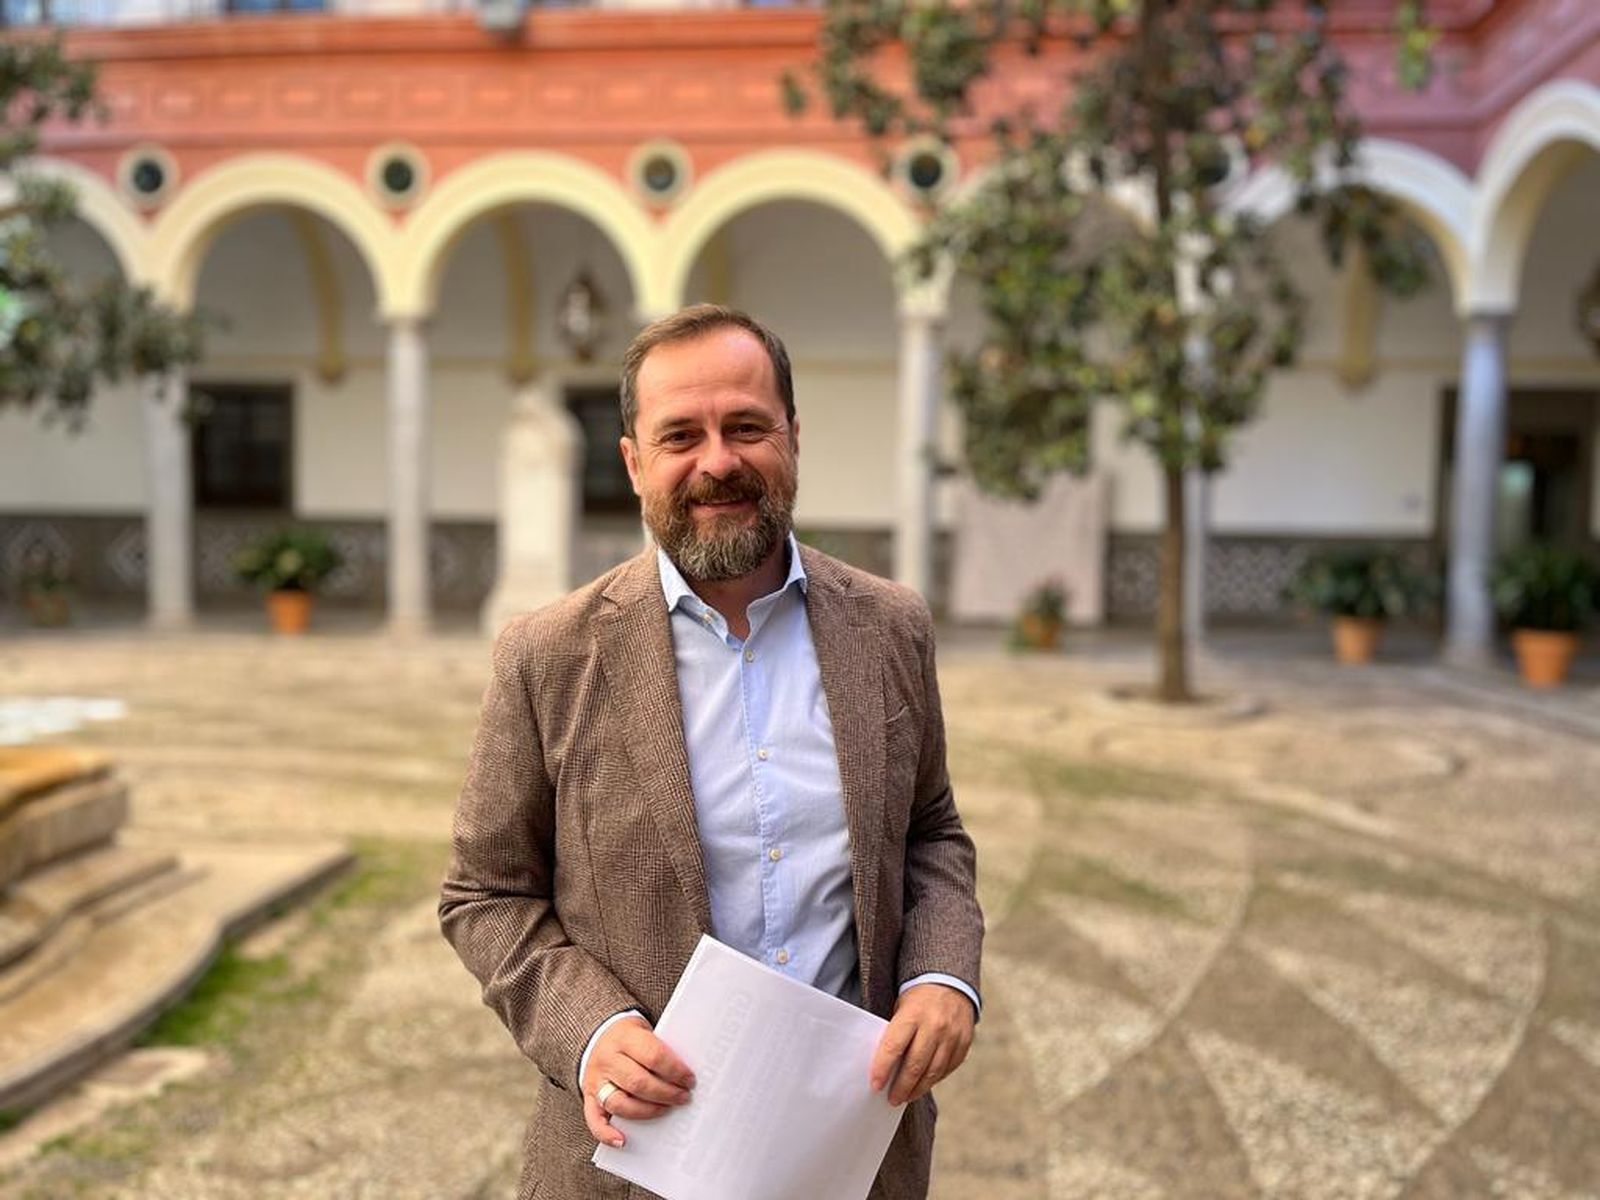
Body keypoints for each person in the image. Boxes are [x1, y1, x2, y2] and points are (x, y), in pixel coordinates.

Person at [439, 304, 984, 1200]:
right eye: (680, 435)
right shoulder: (550, 654)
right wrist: (590, 1028)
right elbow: (485, 893)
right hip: (632, 1165)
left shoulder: (890, 627)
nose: (717, 461)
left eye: (746, 427)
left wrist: (941, 976)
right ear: (634, 462)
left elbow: (932, 833)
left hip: (852, 1152)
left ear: (794, 439)